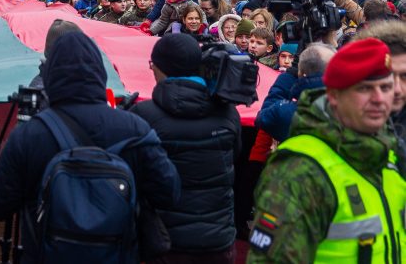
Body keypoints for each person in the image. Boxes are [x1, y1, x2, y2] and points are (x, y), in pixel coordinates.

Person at [0, 31, 180, 263]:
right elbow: (169, 193)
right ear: (99, 72)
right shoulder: (135, 129)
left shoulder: (30, 134)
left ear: (51, 75)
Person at [248, 38, 405, 262]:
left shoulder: (389, 154)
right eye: (364, 89)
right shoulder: (300, 168)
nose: (379, 99)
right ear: (334, 96)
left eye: (386, 87)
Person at [130, 34, 241, 263]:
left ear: (160, 67)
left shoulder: (143, 115)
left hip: (166, 242)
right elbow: (236, 156)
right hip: (219, 241)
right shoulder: (229, 113)